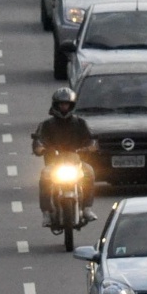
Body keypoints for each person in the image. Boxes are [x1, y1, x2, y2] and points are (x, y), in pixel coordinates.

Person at [31, 87, 95, 219]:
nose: (64, 107)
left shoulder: (80, 123)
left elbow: (91, 140)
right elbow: (38, 141)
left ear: (71, 105)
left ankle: (87, 208)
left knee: (89, 172)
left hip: (76, 163)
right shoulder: (46, 125)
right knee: (45, 176)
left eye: (67, 104)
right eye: (61, 104)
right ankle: (47, 212)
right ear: (56, 105)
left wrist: (90, 147)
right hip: (54, 164)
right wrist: (40, 148)